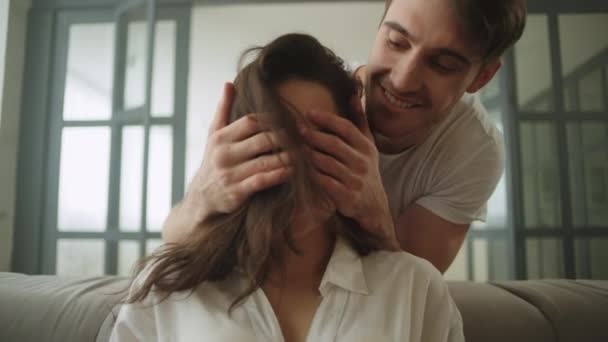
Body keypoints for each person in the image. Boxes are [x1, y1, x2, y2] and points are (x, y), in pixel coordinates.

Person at [110, 33, 464, 342]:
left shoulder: (414, 288)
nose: (296, 166)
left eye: (320, 142)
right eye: (272, 140)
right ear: (232, 150)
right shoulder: (166, 290)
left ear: (357, 152)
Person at [163, 0, 527, 273]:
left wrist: (375, 214)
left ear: (481, 78)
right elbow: (177, 243)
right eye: (397, 42)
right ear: (381, 24)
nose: (402, 79)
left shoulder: (473, 151)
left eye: (442, 65)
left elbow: (417, 288)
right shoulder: (317, 95)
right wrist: (202, 198)